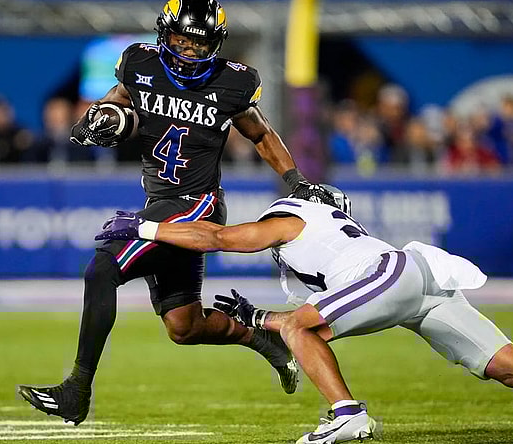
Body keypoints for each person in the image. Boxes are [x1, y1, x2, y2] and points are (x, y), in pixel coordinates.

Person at [95, 185, 513, 444]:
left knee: (301, 326)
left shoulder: (295, 219)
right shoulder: (328, 246)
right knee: (510, 366)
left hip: (390, 277)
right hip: (411, 279)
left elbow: (222, 237)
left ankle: (347, 413)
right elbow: (310, 326)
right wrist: (258, 317)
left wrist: (146, 228)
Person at [18, 0, 332, 425]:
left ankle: (77, 390)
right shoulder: (139, 64)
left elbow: (261, 133)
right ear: (164, 36)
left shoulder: (230, 83)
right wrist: (92, 124)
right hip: (161, 203)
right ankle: (264, 339)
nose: (187, 51)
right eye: (180, 41)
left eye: (197, 44)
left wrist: (295, 179)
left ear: (214, 45)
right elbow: (116, 101)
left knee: (102, 269)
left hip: (197, 205)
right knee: (184, 327)